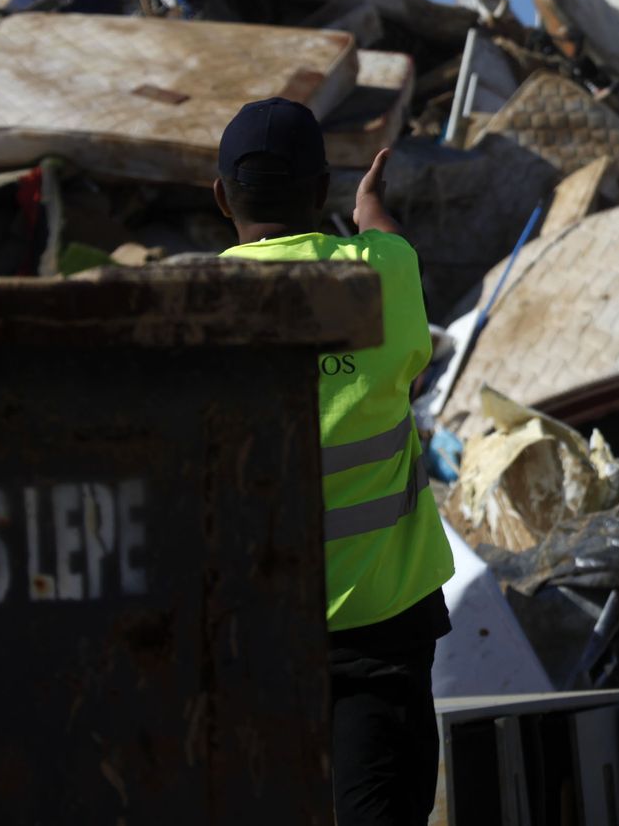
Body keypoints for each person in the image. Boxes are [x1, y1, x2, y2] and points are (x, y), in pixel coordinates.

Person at [214, 97, 454, 825]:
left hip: (256, 627)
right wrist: (369, 209)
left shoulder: (195, 306)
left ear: (221, 197)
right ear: (321, 191)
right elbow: (390, 246)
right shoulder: (380, 274)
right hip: (382, 626)